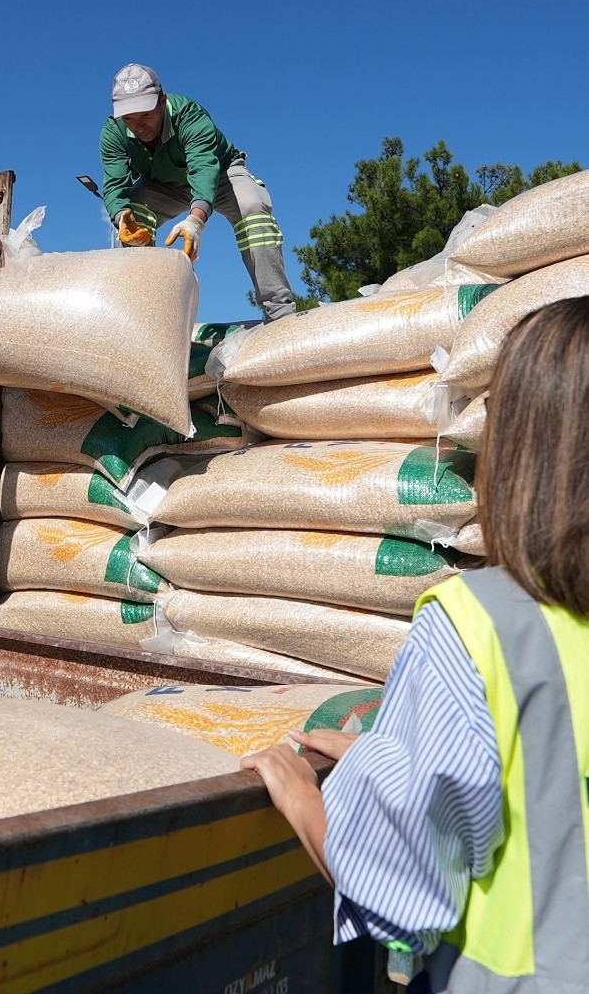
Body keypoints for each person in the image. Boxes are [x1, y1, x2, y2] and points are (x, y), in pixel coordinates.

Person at [242, 296, 589, 992]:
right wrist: (392, 759)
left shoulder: (480, 626)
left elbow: (404, 886)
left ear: (519, 445)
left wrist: (309, 807)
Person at [100, 63, 297, 321]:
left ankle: (280, 313)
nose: (139, 126)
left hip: (222, 174)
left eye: (145, 115)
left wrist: (196, 220)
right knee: (133, 216)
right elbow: (116, 185)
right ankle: (142, 319)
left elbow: (204, 167)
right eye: (129, 118)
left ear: (162, 100)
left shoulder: (190, 115)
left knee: (251, 208)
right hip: (162, 186)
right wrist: (120, 216)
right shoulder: (113, 132)